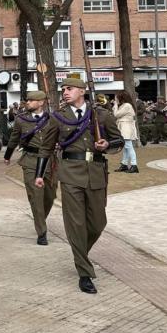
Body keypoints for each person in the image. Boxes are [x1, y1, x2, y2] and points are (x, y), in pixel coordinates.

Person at [35, 77, 123, 295]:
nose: (65, 92)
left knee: (97, 223)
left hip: (96, 173)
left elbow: (119, 141)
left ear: (82, 91)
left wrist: (107, 144)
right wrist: (39, 175)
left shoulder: (101, 115)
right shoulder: (58, 118)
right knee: (76, 224)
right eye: (63, 89)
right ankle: (84, 273)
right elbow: (45, 148)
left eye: (70, 89)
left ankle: (80, 251)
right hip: (70, 173)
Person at [4, 91, 54, 245]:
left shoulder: (52, 118)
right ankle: (42, 232)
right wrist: (7, 155)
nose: (28, 103)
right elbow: (14, 139)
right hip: (30, 161)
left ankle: (40, 218)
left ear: (41, 102)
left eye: (32, 101)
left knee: (49, 197)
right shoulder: (21, 119)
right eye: (27, 100)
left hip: (50, 162)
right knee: (36, 197)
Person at [112, 92, 139, 174]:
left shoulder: (127, 105)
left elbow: (116, 114)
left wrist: (115, 105)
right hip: (124, 126)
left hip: (126, 127)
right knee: (126, 147)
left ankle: (134, 165)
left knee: (129, 146)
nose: (115, 99)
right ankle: (124, 164)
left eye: (116, 98)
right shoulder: (125, 105)